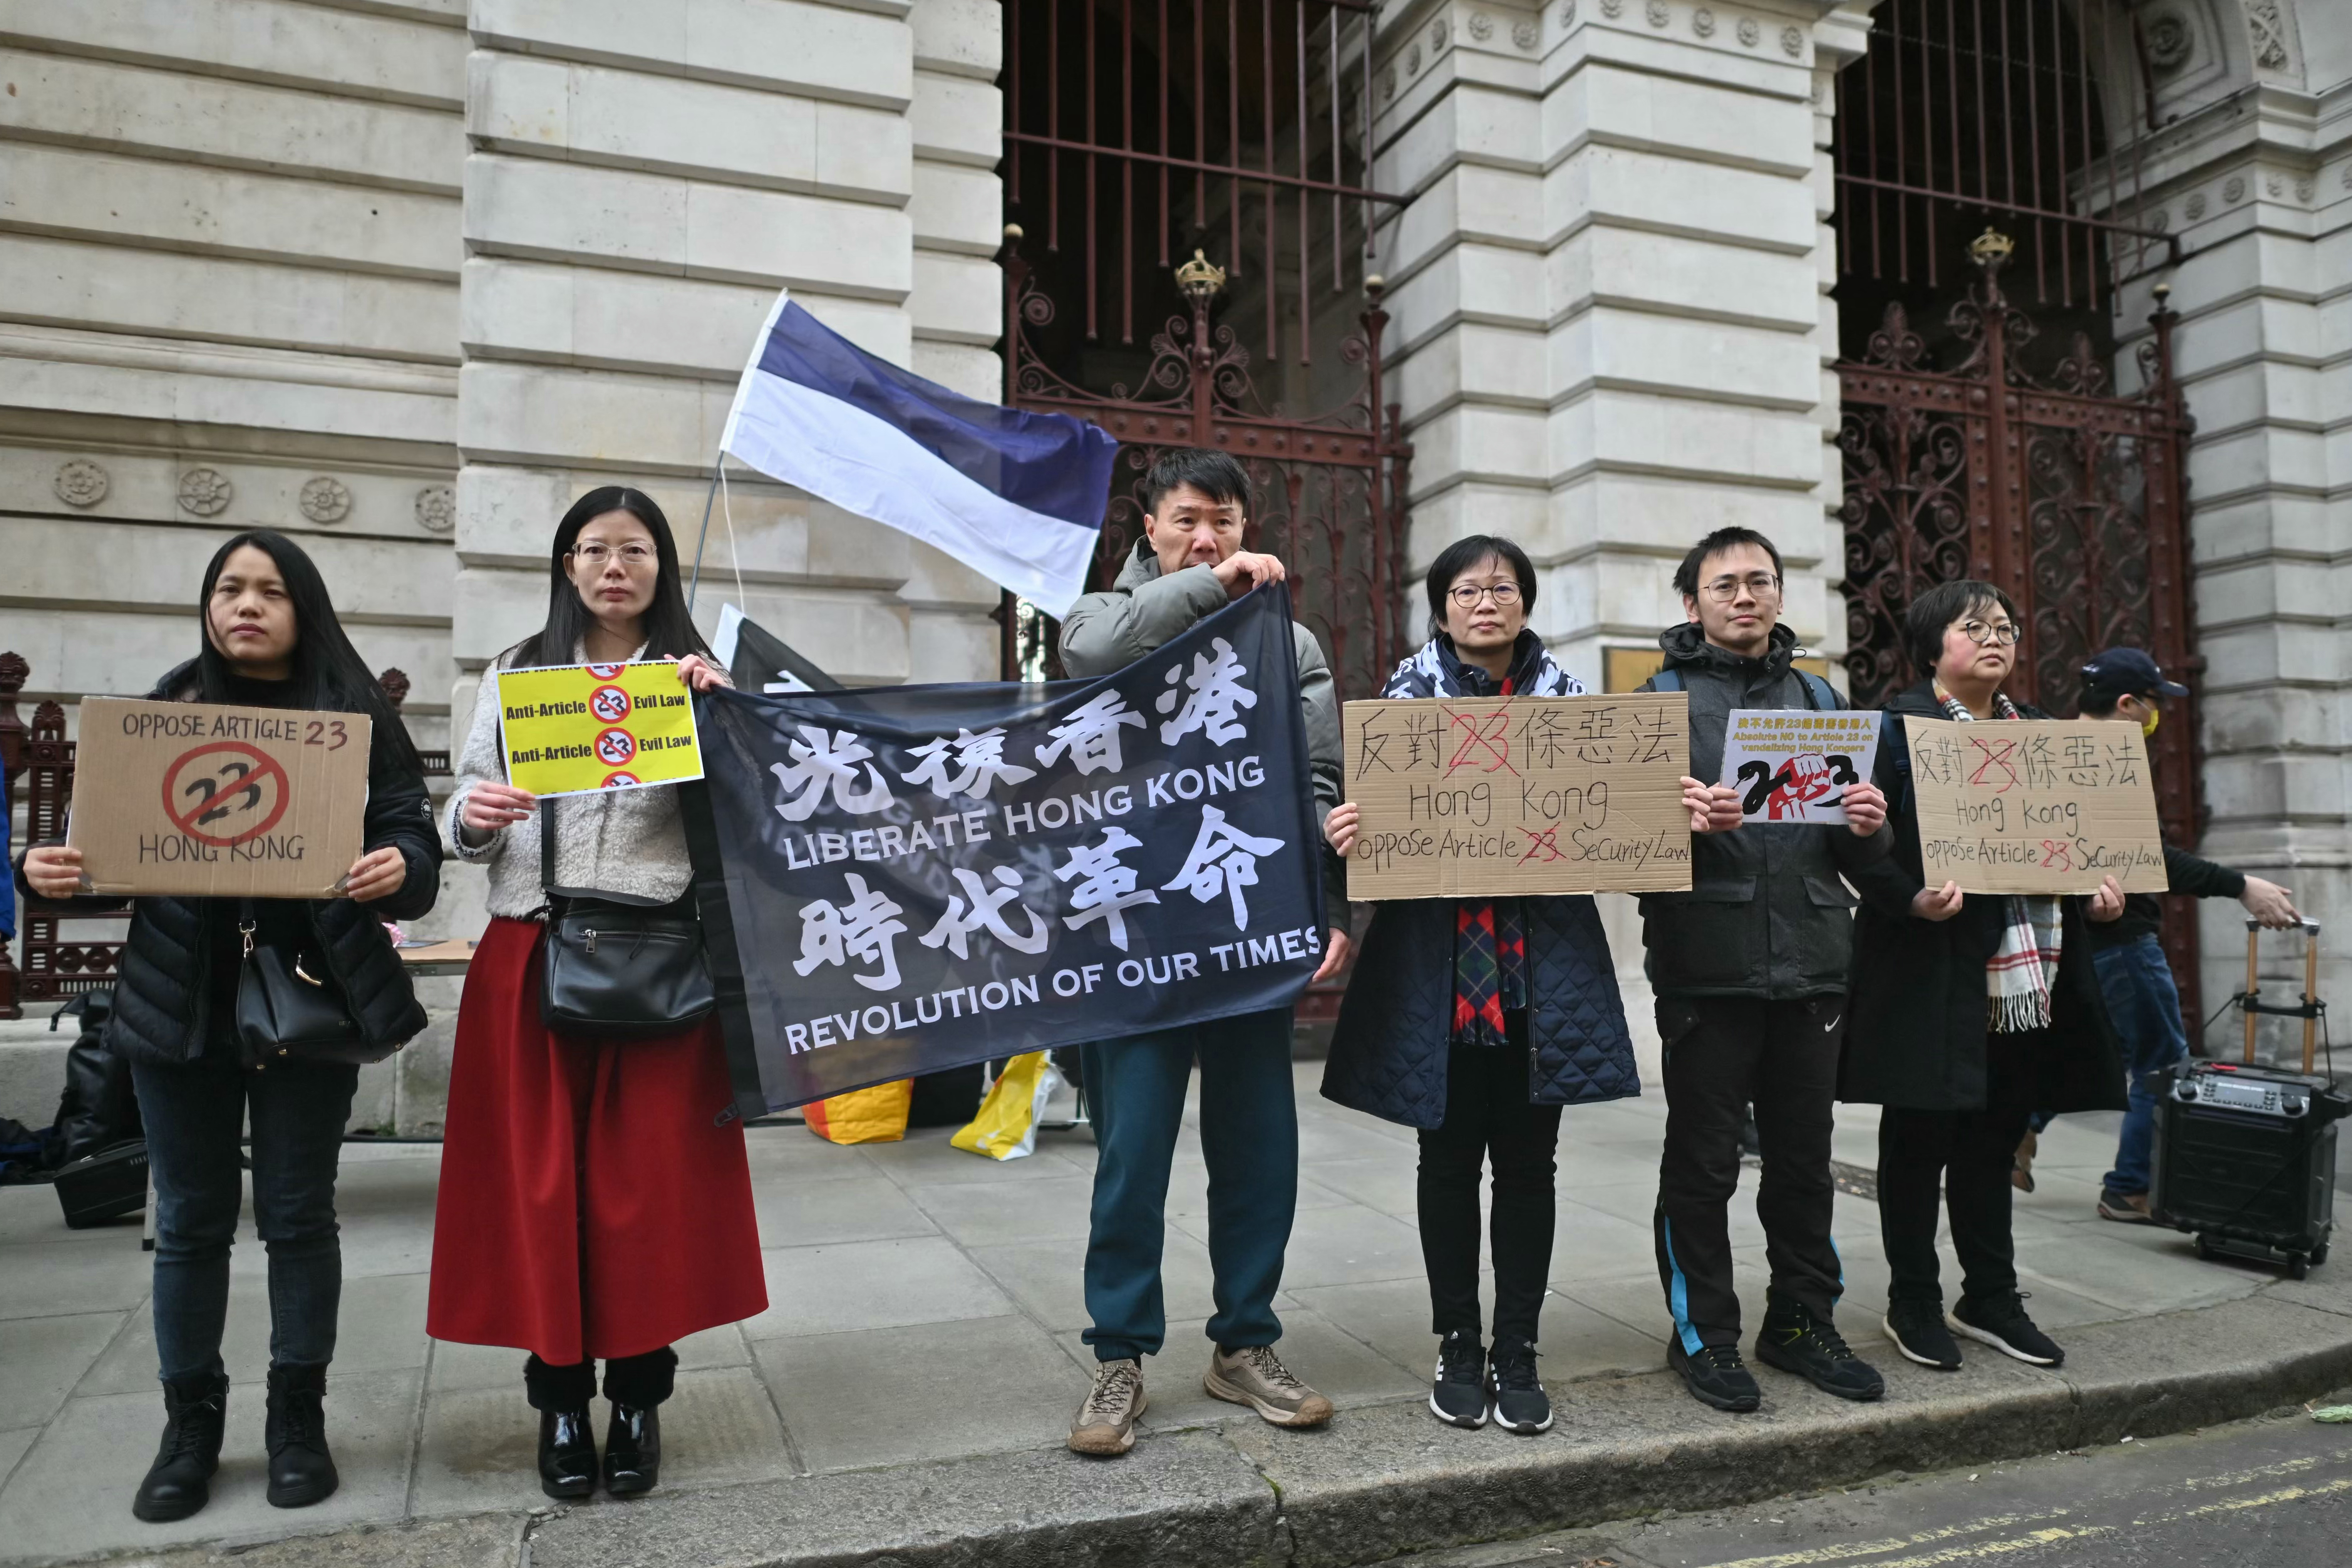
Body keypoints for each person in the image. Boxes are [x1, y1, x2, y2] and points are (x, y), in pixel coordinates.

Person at [21, 531, 442, 1523]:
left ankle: (297, 1419)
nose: (246, 605)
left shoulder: (351, 717)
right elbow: (102, 853)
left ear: (305, 608)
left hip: (308, 1002)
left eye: (270, 591)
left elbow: (412, 840)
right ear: (208, 606)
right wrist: (42, 872)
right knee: (189, 1225)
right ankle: (190, 1429)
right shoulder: (165, 711)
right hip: (179, 1007)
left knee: (298, 1218)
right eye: (229, 589)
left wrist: (403, 866)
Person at [427, 486, 765, 1500]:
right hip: (530, 951)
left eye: (635, 550)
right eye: (593, 549)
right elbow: (463, 804)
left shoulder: (699, 679)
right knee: (540, 1191)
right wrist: (473, 817)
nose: (614, 568)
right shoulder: (518, 673)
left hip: (659, 961)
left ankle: (641, 1398)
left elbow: (755, 820)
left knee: (647, 1195)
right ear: (567, 565)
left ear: (662, 565)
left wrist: (727, 719)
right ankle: (561, 1401)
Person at [1056, 448, 1352, 1456]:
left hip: (1245, 928)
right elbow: (1091, 658)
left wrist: (1328, 906)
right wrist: (1210, 587)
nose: (1207, 536)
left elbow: (1316, 779)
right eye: (1187, 519)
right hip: (1134, 933)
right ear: (1151, 528)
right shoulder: (1105, 615)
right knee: (1132, 1152)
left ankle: (1246, 1342)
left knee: (1258, 1147)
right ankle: (1119, 1355)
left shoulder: (1287, 644)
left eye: (1223, 520)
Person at [1320, 535, 1637, 1435]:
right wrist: (1348, 834)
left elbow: (1621, 820)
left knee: (1531, 1168)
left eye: (1501, 588)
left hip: (1544, 970)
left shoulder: (1574, 710)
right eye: (1466, 591)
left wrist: (1668, 813)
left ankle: (1519, 1346)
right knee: (1448, 1164)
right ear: (1442, 607)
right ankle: (1459, 1340)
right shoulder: (1396, 712)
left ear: (1526, 603)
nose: (1485, 603)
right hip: (1443, 971)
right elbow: (1365, 833)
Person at [1633, 528, 1893, 1413]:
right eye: (1725, 585)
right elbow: (1621, 854)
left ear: (1781, 594)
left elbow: (1859, 856)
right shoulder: (1658, 703)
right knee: (1703, 1166)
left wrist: (1871, 826)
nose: (1744, 597)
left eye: (1760, 582)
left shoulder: (1820, 699)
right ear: (1692, 602)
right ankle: (1703, 1334)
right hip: (1707, 971)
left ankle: (1801, 1322)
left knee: (1804, 1165)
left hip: (1815, 967)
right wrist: (1675, 824)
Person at [1843, 581, 2127, 1373]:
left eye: (2005, 627)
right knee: (1918, 1141)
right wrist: (1910, 897)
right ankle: (1913, 1299)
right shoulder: (1895, 732)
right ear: (1932, 647)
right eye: (1975, 627)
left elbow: (2087, 843)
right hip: (1928, 969)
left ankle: (1991, 1297)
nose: (1996, 638)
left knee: (1995, 1139)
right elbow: (1853, 844)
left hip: (2026, 977)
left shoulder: (2041, 735)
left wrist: (2104, 900)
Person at [2062, 648, 2299, 1222]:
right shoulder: (2105, 760)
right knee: (2164, 1062)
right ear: (2127, 704)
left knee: (2103, 1050)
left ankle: (2025, 1132)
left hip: (2085, 940)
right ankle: (2130, 1188)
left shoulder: (2061, 752)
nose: (2157, 716)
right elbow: (2155, 859)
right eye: (2154, 703)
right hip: (2123, 941)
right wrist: (2241, 885)